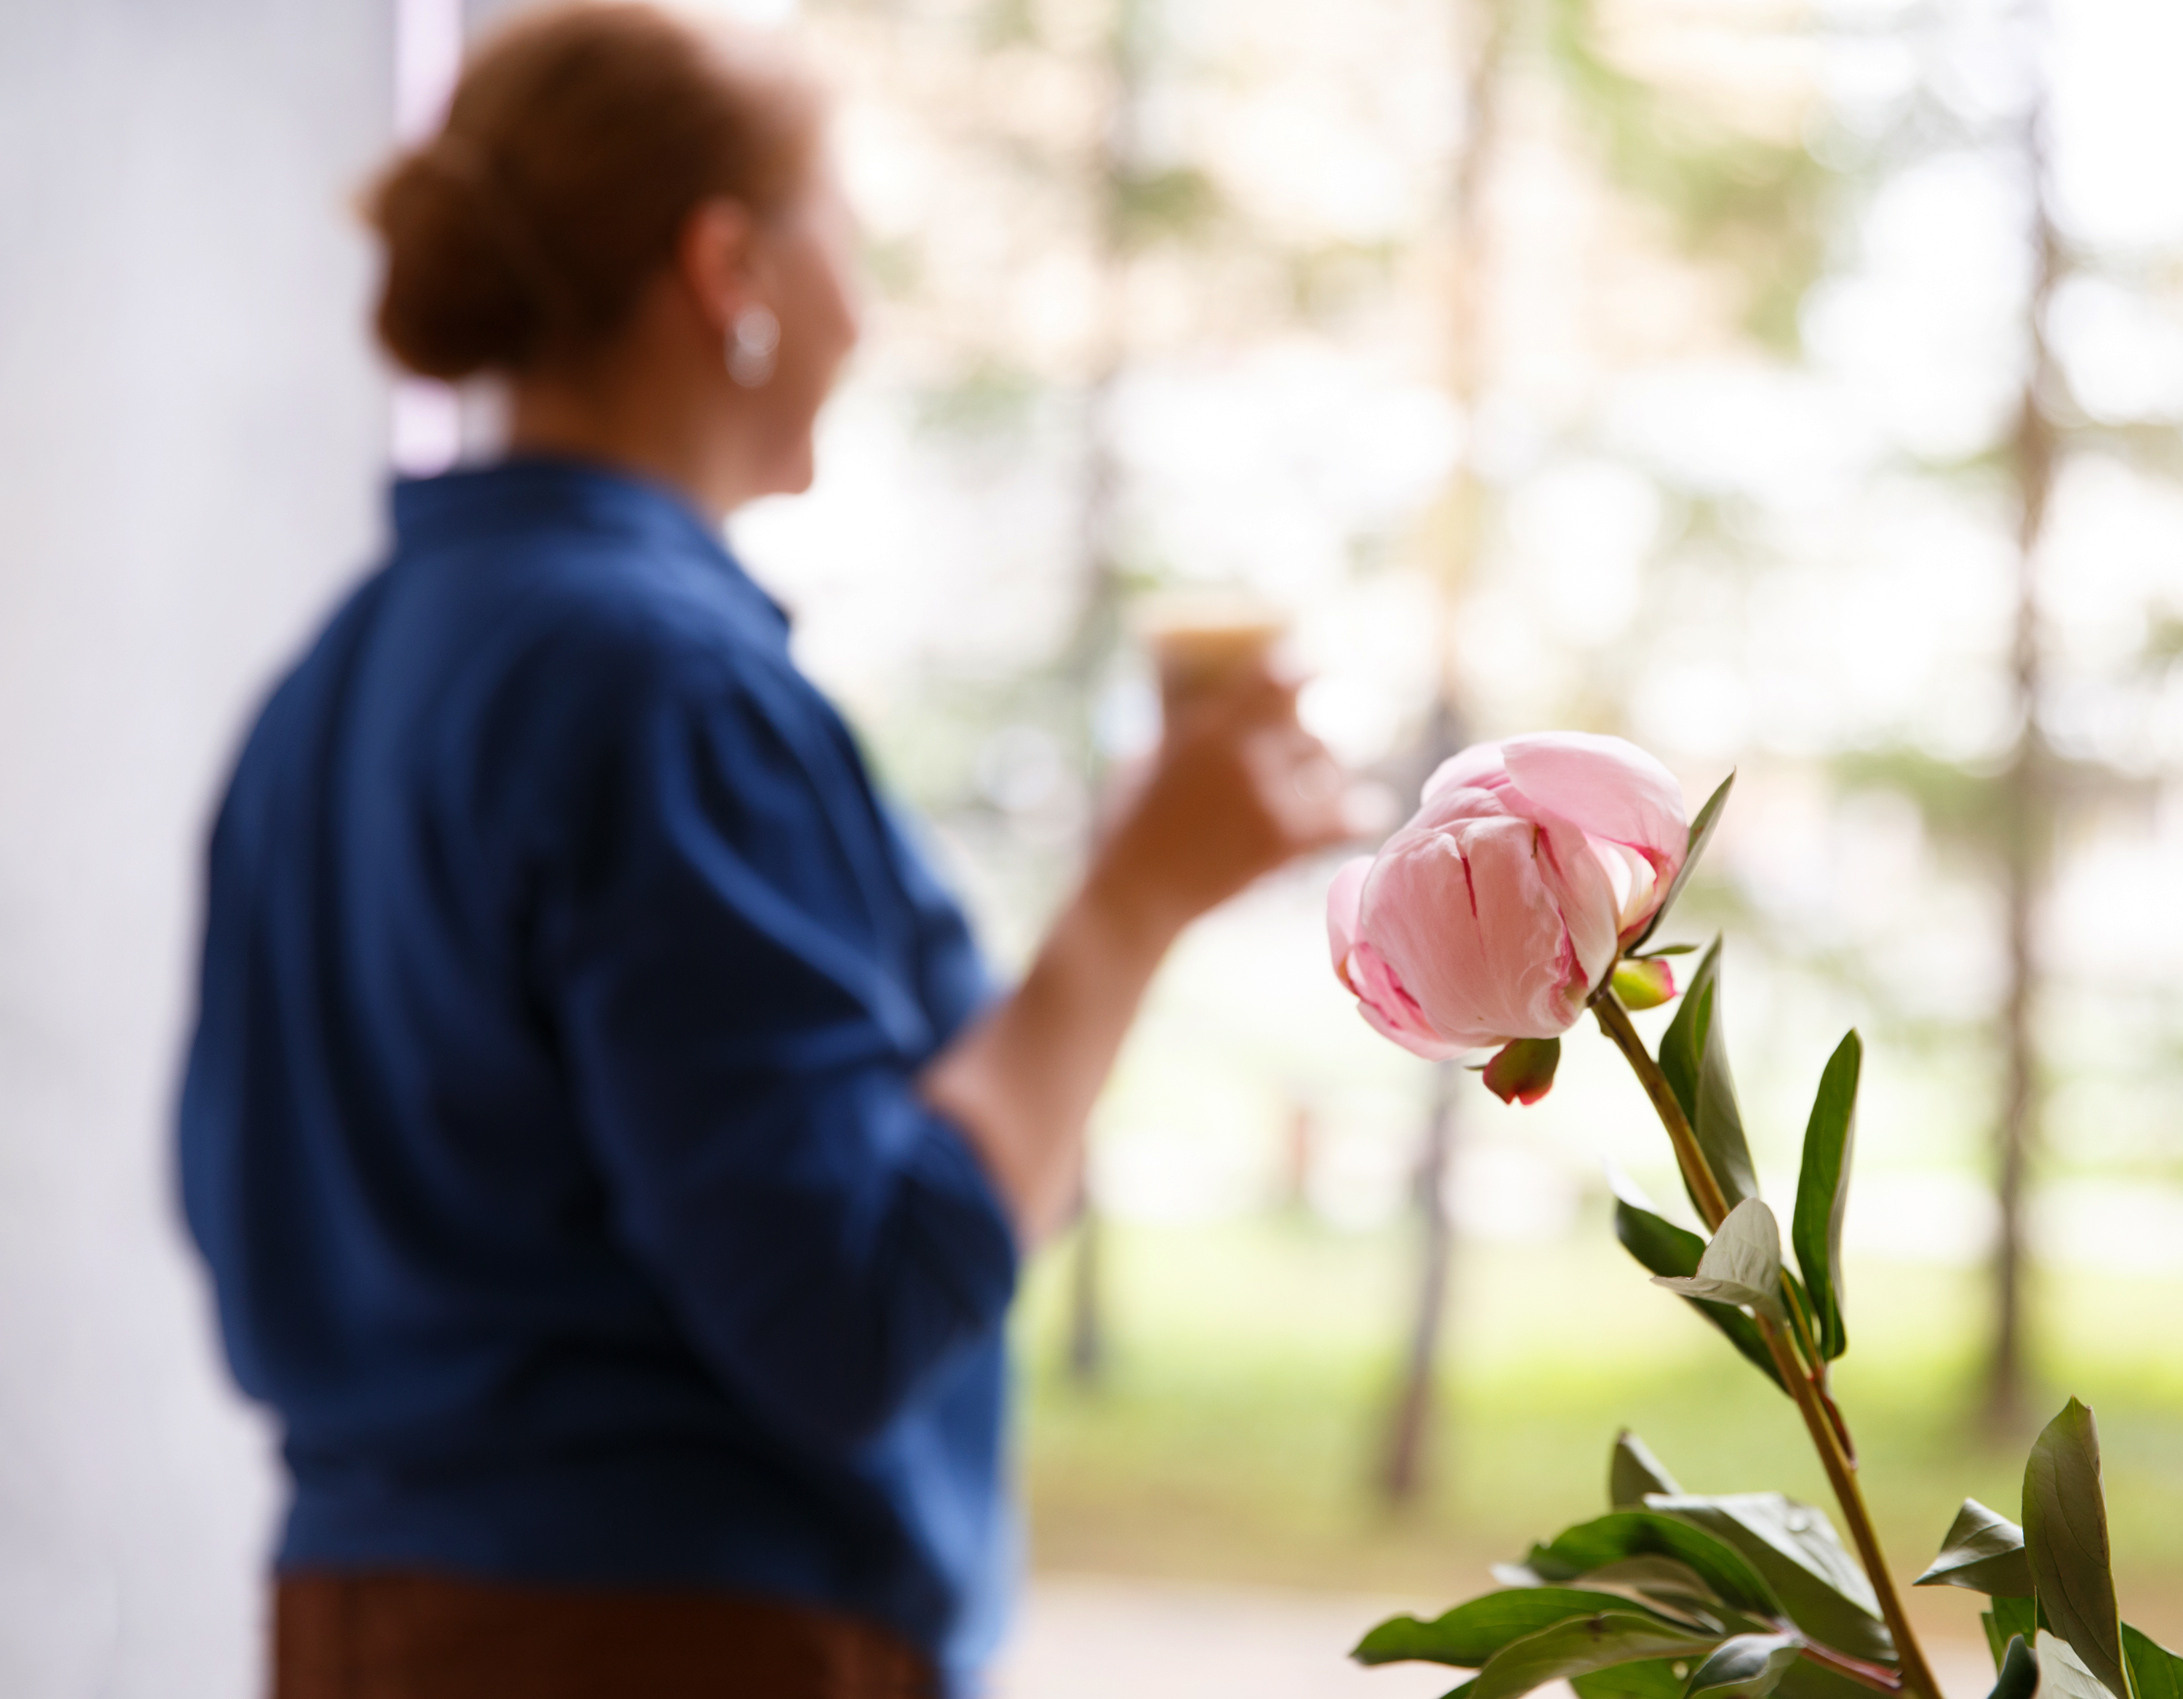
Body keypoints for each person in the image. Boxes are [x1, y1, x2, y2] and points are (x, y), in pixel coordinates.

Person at [174, 6, 1348, 1696]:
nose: (864, 307)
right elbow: (854, 1309)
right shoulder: (655, 684)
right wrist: (1137, 903)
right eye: (845, 234)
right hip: (668, 1643)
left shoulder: (342, 674)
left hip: (357, 1624)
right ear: (730, 265)